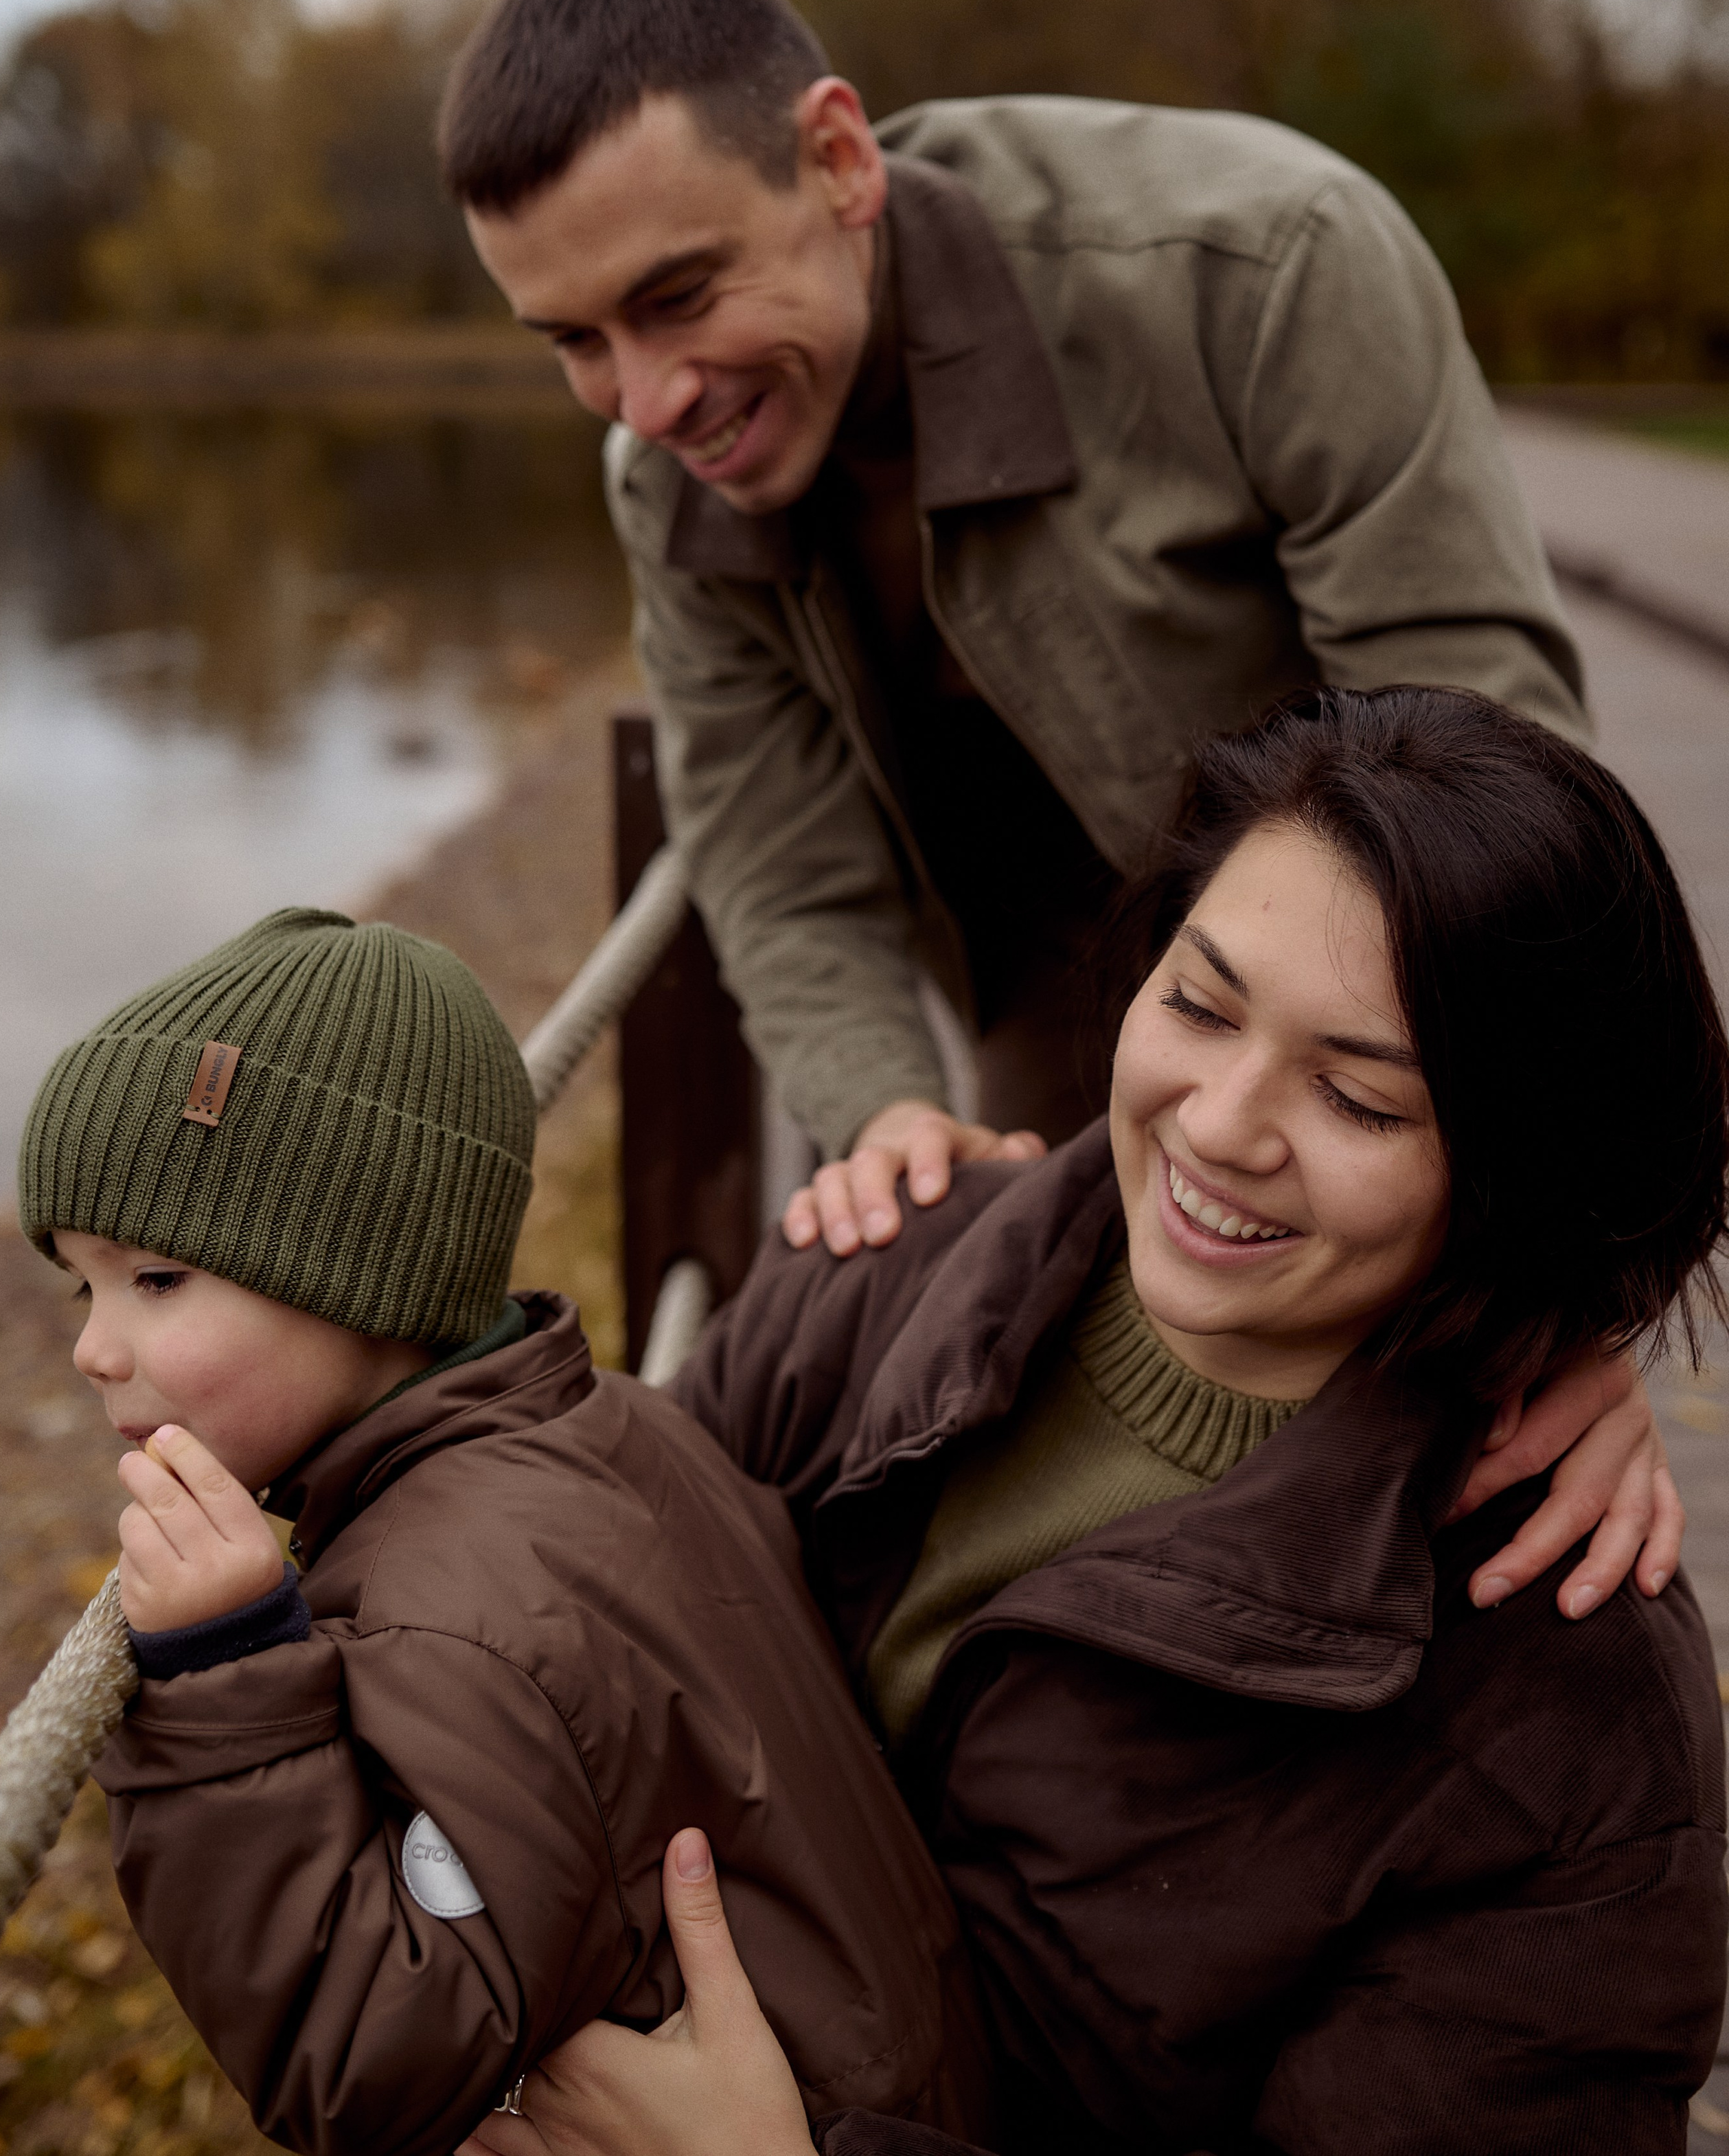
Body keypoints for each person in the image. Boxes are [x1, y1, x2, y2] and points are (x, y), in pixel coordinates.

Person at [442, 0, 1676, 1620]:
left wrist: (1563, 1296)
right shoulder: (664, 480)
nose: (644, 401)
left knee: (1418, 1476)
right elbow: (776, 859)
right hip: (1029, 994)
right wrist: (887, 1116)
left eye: (677, 297)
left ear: (837, 159)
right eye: (569, 340)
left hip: (1357, 987)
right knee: (1071, 1443)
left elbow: (1504, 786)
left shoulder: (1269, 267)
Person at [468, 686, 1729, 2156]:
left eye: (1356, 1099)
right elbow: (580, 1663)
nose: (1219, 1124)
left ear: (1520, 1165)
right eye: (1199, 1005)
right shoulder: (875, 1272)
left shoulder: (1569, 1726)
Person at [21, 909, 988, 2156]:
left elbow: (368, 2056)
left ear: (364, 1275)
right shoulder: (610, 1419)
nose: (93, 1348)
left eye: (156, 1279)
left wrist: (223, 1686)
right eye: (81, 1283)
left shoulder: (453, 1622)